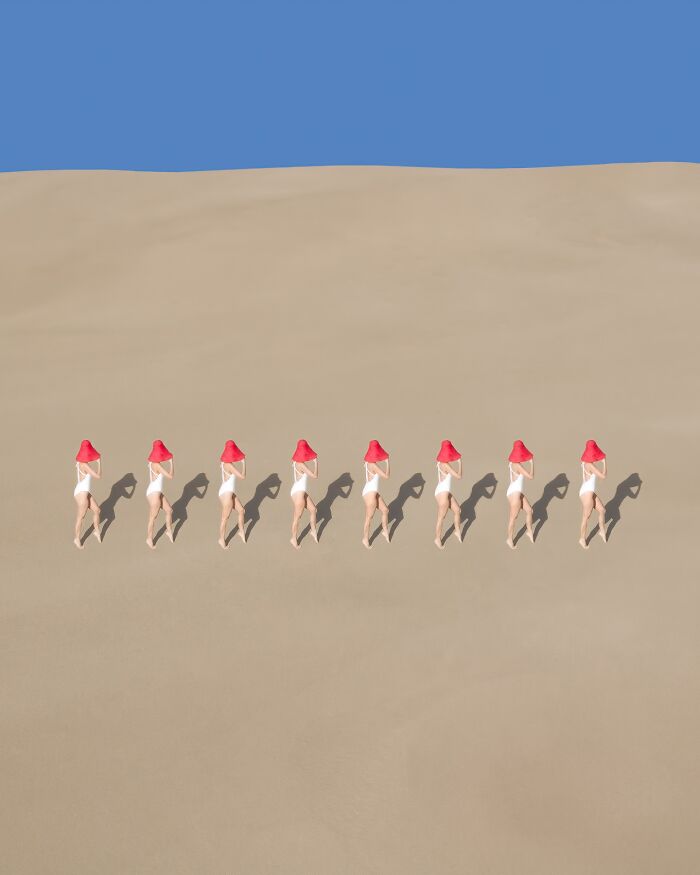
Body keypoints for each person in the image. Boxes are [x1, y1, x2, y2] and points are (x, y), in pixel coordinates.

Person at [73, 439, 102, 549]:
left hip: (83, 491)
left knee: (97, 510)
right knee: (81, 517)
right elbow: (98, 476)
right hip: (82, 494)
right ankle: (77, 539)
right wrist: (99, 463)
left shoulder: (80, 462)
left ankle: (96, 530)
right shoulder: (84, 465)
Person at [506, 439, 535, 549]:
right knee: (513, 518)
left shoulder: (511, 463)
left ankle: (529, 531)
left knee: (529, 510)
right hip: (515, 494)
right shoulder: (518, 466)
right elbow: (531, 476)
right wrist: (532, 463)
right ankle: (509, 539)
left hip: (513, 491)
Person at [218, 439, 247, 549]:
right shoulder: (229, 466)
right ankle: (221, 539)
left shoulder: (223, 462)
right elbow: (243, 477)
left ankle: (241, 531)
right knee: (225, 518)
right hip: (227, 495)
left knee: (241, 510)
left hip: (226, 491)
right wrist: (243, 463)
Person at [290, 439, 319, 549]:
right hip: (299, 495)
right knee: (297, 518)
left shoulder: (296, 462)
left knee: (313, 509)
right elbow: (315, 476)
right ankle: (293, 539)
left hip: (297, 490)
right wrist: (316, 463)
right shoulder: (301, 465)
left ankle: (313, 531)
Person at [362, 439, 391, 549]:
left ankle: (384, 531)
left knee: (385, 510)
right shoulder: (373, 465)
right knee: (369, 518)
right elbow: (386, 476)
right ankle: (365, 539)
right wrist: (387, 463)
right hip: (370, 494)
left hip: (370, 491)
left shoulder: (367, 462)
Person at [434, 439, 463, 548]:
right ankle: (437, 539)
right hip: (443, 494)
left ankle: (457, 531)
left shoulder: (440, 462)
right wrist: (460, 463)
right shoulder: (445, 465)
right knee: (441, 518)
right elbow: (459, 476)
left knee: (457, 510)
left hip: (442, 490)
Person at [146, 439, 174, 548]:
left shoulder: (152, 462)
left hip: (155, 491)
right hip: (154, 494)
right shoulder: (157, 465)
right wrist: (171, 463)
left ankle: (168, 530)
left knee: (169, 510)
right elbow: (171, 476)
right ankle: (149, 539)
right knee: (152, 518)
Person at [579, 439, 607, 549]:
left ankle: (601, 530)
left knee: (602, 510)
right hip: (587, 494)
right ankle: (582, 539)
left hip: (586, 490)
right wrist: (604, 463)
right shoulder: (590, 465)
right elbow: (603, 476)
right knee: (586, 517)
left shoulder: (585, 462)